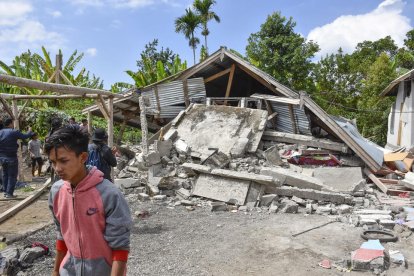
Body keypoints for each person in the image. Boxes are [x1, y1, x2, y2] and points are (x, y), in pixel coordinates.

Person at [45, 125, 131, 276]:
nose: (57, 168)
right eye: (53, 162)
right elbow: (62, 235)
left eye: (63, 161)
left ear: (83, 157)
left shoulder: (109, 195)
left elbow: (120, 248)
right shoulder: (56, 192)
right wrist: (55, 270)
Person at [0, 117, 34, 198]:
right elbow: (25, 136)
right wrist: (30, 130)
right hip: (11, 157)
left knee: (5, 174)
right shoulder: (13, 132)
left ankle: (5, 192)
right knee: (12, 175)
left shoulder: (0, 132)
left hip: (2, 157)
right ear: (11, 123)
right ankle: (9, 193)